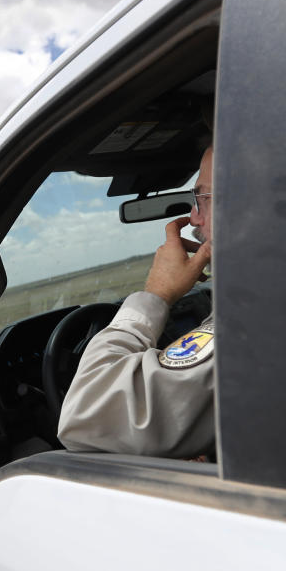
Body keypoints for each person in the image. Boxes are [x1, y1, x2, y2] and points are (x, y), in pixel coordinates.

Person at [57, 146, 215, 458]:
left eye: (202, 198)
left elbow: (85, 416)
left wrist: (156, 294)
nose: (194, 217)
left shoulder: (257, 319)